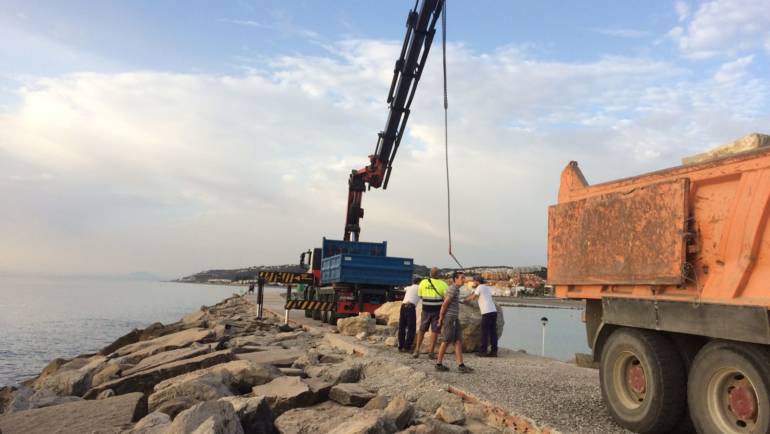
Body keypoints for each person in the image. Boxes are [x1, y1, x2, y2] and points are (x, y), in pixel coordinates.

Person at [436, 271, 473, 373]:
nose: (464, 280)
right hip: (450, 318)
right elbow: (445, 304)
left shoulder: (456, 289)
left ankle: (461, 365)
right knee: (446, 340)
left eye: (464, 277)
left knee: (457, 341)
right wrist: (440, 318)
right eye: (462, 278)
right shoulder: (453, 289)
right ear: (455, 279)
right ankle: (438, 364)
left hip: (454, 318)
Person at [413, 267, 448, 359]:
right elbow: (446, 299)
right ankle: (431, 352)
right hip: (437, 311)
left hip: (426, 310)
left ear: (430, 274)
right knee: (435, 331)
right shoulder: (444, 284)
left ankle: (417, 350)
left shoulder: (423, 283)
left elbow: (420, 296)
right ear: (439, 274)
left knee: (422, 330)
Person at [465, 275, 498, 357]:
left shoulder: (479, 287)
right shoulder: (486, 287)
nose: (473, 283)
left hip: (487, 312)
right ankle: (494, 351)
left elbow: (473, 297)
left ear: (477, 281)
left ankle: (483, 351)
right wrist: (474, 291)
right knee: (493, 332)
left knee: (484, 332)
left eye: (474, 281)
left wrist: (465, 300)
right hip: (493, 311)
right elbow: (478, 294)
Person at [398, 277, 421, 352]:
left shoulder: (408, 287)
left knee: (402, 326)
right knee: (411, 327)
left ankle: (400, 346)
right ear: (419, 282)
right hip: (410, 307)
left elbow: (404, 289)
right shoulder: (420, 288)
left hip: (403, 306)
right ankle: (407, 347)